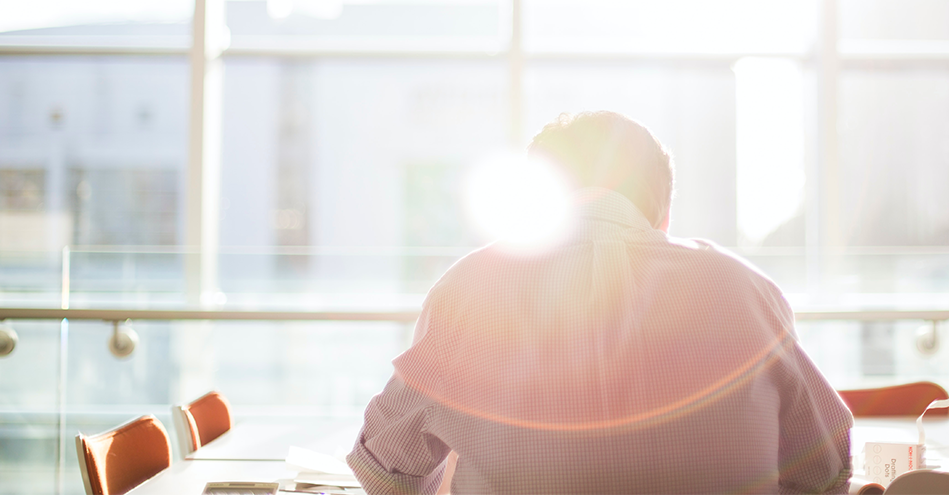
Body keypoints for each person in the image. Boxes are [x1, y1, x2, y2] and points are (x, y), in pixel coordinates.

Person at [349, 111, 852, 494]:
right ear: (664, 212)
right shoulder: (745, 290)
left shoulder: (471, 288)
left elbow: (385, 470)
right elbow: (825, 468)